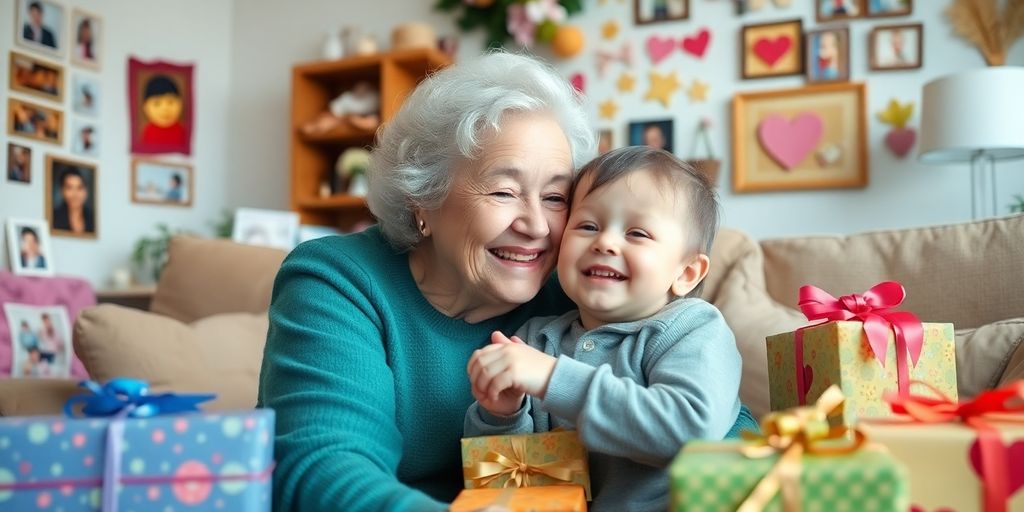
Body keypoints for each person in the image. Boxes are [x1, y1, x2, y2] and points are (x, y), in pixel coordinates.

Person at [259, 52, 593, 511]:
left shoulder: (578, 293)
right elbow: (323, 470)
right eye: (503, 191)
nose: (537, 226)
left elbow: (702, 412)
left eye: (556, 196)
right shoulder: (337, 280)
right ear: (423, 197)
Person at [464, 146, 753, 510]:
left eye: (637, 233)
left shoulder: (693, 329)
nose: (605, 242)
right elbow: (509, 483)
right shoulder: (535, 341)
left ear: (686, 272)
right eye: (588, 226)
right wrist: (501, 415)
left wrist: (554, 379)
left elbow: (691, 433)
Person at [139, 75, 186, 147]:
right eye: (157, 104)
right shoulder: (148, 132)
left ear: (181, 104)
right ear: (145, 107)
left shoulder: (182, 131)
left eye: (170, 102)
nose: (165, 109)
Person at [52, 167, 95, 235]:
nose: (75, 194)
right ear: (62, 191)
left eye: (80, 188)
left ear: (86, 192)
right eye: (69, 188)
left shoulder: (93, 218)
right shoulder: (53, 217)